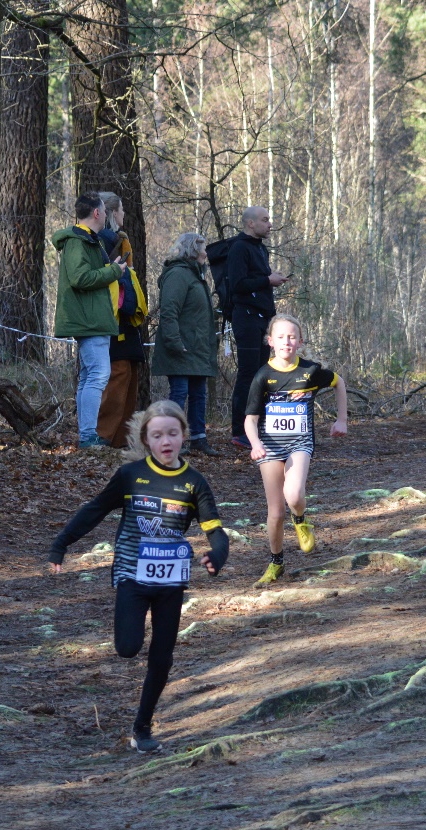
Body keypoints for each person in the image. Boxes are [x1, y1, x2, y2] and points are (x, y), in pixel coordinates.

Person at [47, 400, 229, 754]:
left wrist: (218, 554)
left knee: (162, 658)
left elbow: (215, 530)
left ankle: (142, 728)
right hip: (132, 575)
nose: (166, 441)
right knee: (127, 648)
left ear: (183, 436)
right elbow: (95, 510)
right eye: (158, 435)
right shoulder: (131, 476)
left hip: (171, 583)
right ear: (146, 439)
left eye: (173, 434)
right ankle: (139, 719)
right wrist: (61, 545)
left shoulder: (193, 483)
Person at [244, 314, 347, 587]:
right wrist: (255, 444)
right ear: (270, 342)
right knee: (275, 513)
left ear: (300, 342)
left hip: (300, 443)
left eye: (292, 337)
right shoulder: (263, 376)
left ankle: (301, 520)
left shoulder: (310, 371)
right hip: (269, 447)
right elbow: (250, 419)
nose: (286, 342)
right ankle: (276, 562)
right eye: (280, 337)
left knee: (294, 494)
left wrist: (342, 419)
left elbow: (339, 383)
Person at [52, 193, 128, 449]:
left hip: (93, 318)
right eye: (105, 211)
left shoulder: (88, 241)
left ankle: (87, 434)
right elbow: (80, 278)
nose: (107, 215)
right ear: (96, 213)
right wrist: (113, 272)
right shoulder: (77, 242)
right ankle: (88, 436)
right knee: (98, 375)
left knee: (89, 377)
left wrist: (111, 269)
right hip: (88, 320)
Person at [152, 232, 220, 456]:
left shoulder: (195, 275)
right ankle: (171, 440)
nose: (205, 253)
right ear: (193, 250)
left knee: (199, 393)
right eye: (203, 248)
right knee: (179, 393)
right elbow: (169, 312)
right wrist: (174, 342)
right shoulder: (178, 275)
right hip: (181, 347)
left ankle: (199, 439)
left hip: (197, 348)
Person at [227, 207, 287, 449]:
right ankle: (239, 431)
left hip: (263, 319)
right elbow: (238, 285)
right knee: (248, 374)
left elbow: (256, 281)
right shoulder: (239, 248)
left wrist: (271, 278)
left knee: (262, 374)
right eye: (265, 220)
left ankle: (258, 428)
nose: (270, 224)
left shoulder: (260, 248)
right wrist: (267, 280)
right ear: (250, 224)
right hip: (247, 318)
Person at [94, 192, 149, 449]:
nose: (125, 214)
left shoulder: (119, 242)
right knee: (117, 381)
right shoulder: (103, 243)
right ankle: (103, 438)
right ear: (112, 213)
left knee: (128, 380)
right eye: (122, 210)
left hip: (125, 324)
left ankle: (120, 441)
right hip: (113, 323)